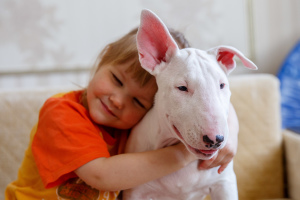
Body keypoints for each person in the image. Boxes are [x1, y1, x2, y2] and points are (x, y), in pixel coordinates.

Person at [5, 27, 239, 200]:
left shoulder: (133, 128)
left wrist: (230, 136)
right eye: (116, 80)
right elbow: (101, 176)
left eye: (137, 101)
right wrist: (191, 151)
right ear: (105, 57)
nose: (118, 101)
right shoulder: (61, 113)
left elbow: (213, 98)